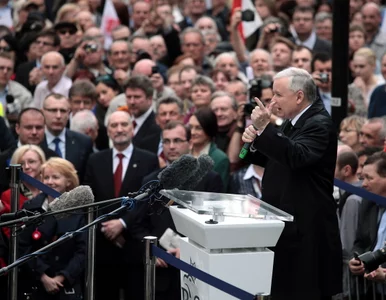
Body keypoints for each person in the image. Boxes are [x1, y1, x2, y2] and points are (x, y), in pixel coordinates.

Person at [241, 67, 342, 299]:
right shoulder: (291, 121)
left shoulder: (319, 123)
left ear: (299, 96)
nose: (272, 100)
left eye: (278, 94)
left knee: (302, 290)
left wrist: (265, 129)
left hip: (306, 229)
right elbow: (275, 158)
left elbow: (296, 157)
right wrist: (253, 139)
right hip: (285, 223)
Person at [84, 110, 159, 300]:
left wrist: (123, 224)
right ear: (107, 131)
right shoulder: (95, 160)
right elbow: (91, 200)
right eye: (114, 125)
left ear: (132, 128)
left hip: (134, 242)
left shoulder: (149, 159)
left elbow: (147, 200)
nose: (119, 129)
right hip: (103, 244)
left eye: (124, 124)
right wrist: (109, 227)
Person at [18, 157, 86, 299]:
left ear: (68, 181)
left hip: (68, 285)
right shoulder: (30, 207)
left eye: (55, 177)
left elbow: (83, 251)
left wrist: (62, 277)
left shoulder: (82, 209)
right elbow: (23, 246)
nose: (49, 182)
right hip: (36, 284)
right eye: (46, 177)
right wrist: (43, 276)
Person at [189, 107, 230, 189]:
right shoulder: (184, 152)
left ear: (209, 129)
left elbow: (220, 191)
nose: (192, 132)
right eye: (191, 127)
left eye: (198, 128)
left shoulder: (220, 158)